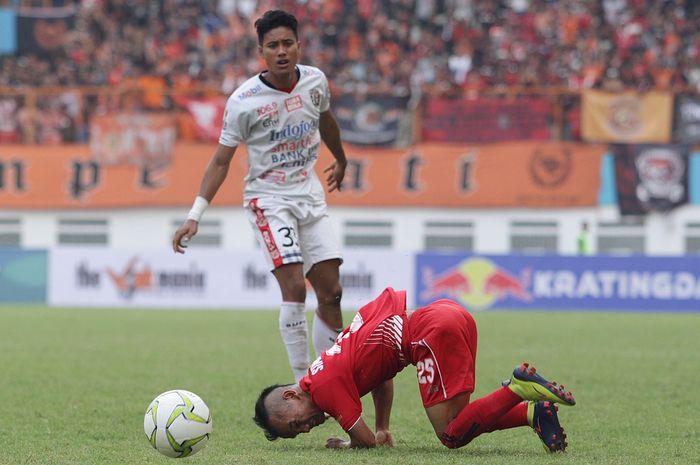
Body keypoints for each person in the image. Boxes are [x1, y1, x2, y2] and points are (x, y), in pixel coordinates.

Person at [172, 10, 348, 382]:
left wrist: (341, 158)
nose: (282, 51)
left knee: (331, 293)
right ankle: (305, 384)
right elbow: (221, 162)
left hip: (309, 196)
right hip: (268, 200)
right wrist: (195, 214)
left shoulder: (315, 82)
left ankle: (333, 379)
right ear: (261, 52)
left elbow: (326, 120)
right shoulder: (244, 101)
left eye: (288, 43)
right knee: (296, 286)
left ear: (299, 45)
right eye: (273, 46)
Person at [253, 287, 576, 452]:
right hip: (447, 313)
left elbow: (364, 442)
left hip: (429, 337)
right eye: (299, 434)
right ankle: (534, 414)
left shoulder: (323, 389)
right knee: (462, 422)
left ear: (292, 394)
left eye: (296, 424)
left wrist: (353, 442)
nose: (306, 429)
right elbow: (382, 379)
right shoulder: (324, 368)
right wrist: (383, 427)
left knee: (451, 435)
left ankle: (517, 387)